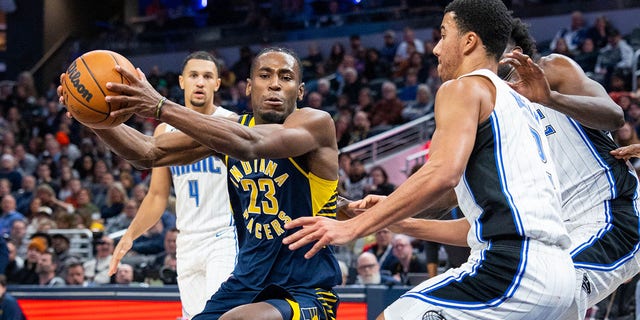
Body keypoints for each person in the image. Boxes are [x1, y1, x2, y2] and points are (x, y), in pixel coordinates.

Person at [283, 1, 576, 319]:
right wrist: (395, 218)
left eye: (443, 34)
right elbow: (481, 224)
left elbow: (442, 173)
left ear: (469, 41)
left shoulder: (463, 88)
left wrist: (353, 227)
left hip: (514, 269)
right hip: (559, 275)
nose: (436, 48)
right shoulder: (519, 104)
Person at [59, 47, 341, 319]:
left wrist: (159, 106)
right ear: (248, 86)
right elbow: (148, 153)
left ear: (300, 91)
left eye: (286, 77)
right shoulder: (232, 131)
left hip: (304, 290)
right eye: (265, 76)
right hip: (245, 284)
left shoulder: (315, 123)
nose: (275, 85)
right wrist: (92, 115)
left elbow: (252, 143)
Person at [502, 18, 640, 319]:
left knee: (555, 290)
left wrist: (551, 98)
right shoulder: (489, 111)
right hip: (562, 231)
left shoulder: (552, 70)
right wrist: (398, 214)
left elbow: (615, 116)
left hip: (611, 212)